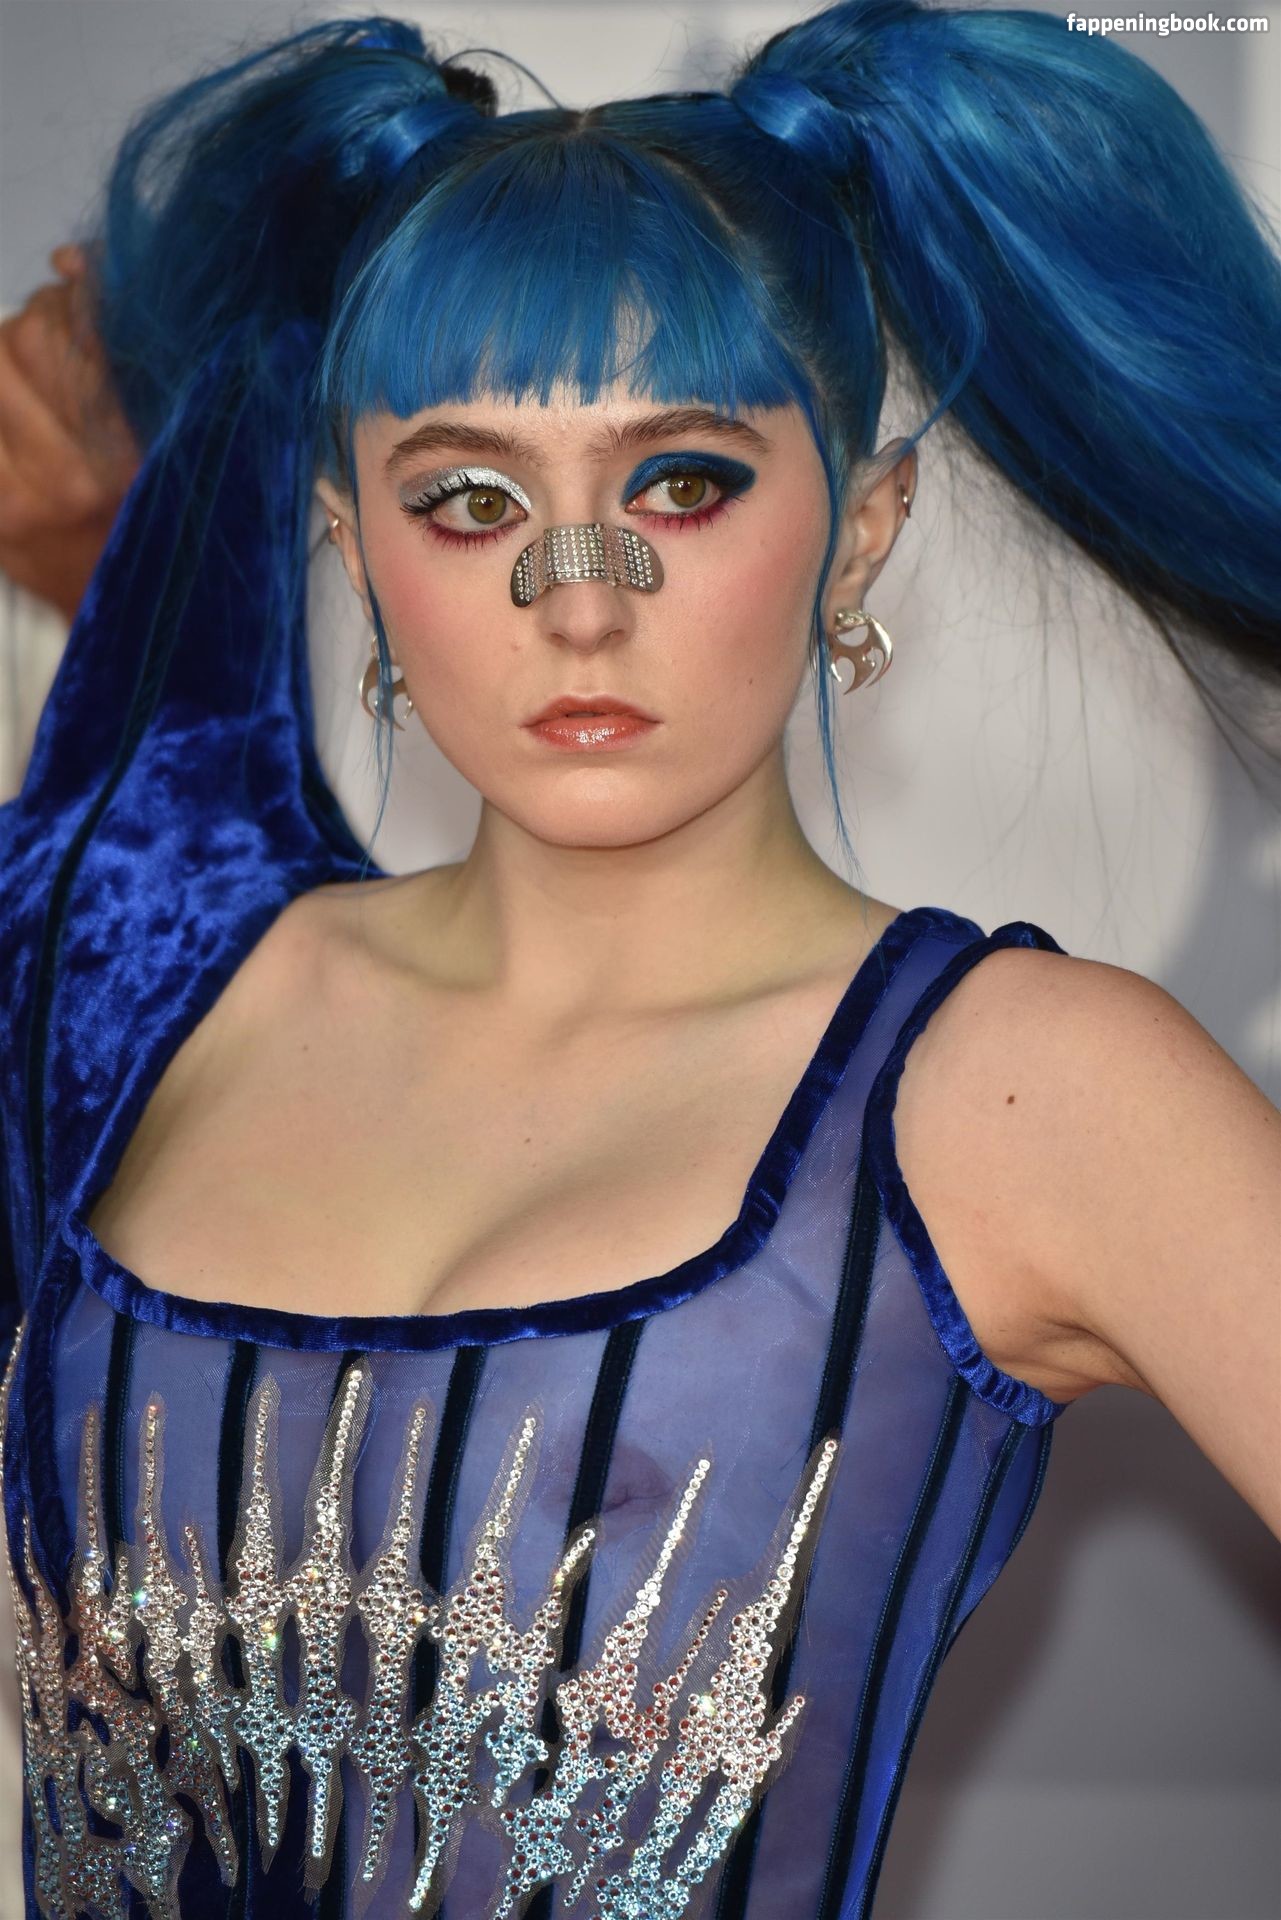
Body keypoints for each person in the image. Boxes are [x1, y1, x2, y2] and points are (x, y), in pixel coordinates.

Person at [0, 5, 1277, 1917]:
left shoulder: (1025, 1092)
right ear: (351, 544)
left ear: (861, 529)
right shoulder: (133, 981)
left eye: (681, 482)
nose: (579, 604)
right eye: (472, 501)